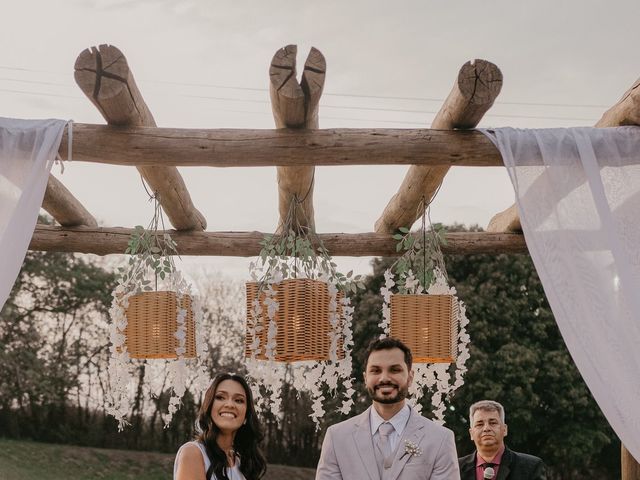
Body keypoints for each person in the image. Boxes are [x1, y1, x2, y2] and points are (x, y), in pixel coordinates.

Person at [316, 337, 460, 480]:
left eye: (395, 370)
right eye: (376, 371)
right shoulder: (337, 438)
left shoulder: (440, 439)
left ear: (410, 377)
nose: (384, 378)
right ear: (366, 378)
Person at [174, 373, 267, 480]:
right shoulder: (193, 453)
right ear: (209, 408)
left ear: (246, 416)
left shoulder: (241, 462)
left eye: (239, 400)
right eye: (220, 397)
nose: (230, 404)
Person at [459, 400, 546, 480]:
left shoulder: (531, 466)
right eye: (479, 424)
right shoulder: (456, 468)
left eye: (493, 423)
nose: (486, 428)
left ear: (504, 430)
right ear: (471, 433)